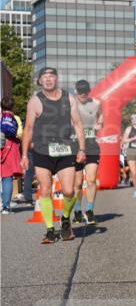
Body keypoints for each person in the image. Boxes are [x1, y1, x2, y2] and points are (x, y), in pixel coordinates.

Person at [19, 67, 87, 243]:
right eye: (44, 77)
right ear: (40, 81)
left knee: (69, 191)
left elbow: (78, 125)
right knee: (45, 189)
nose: (48, 79)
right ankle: (49, 229)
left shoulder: (68, 98)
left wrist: (81, 149)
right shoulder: (35, 101)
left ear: (56, 79)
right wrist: (24, 155)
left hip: (65, 150)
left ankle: (65, 218)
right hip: (42, 150)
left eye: (51, 76)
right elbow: (28, 129)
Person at [70, 80, 102, 224]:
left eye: (85, 92)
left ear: (89, 91)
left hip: (91, 144)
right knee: (77, 183)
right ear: (76, 91)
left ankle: (89, 210)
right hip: (75, 144)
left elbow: (101, 117)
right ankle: (77, 211)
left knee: (91, 179)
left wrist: (99, 124)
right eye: (80, 92)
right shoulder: (70, 103)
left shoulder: (96, 103)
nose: (83, 95)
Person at [1, 96, 23, 214]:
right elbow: (19, 134)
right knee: (7, 178)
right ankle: (6, 207)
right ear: (12, 106)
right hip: (9, 148)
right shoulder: (15, 119)